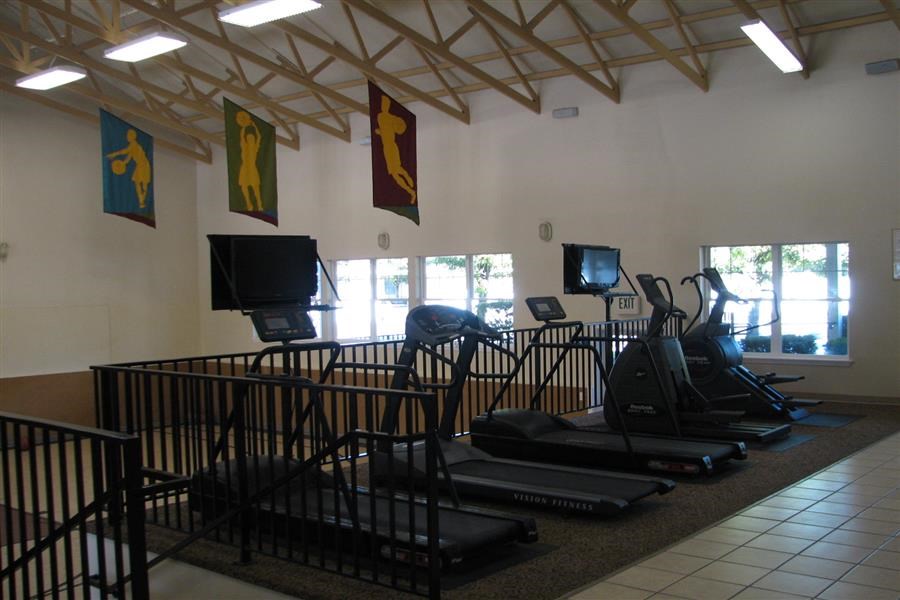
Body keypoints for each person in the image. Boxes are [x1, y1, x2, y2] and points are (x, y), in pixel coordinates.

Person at [375, 95, 416, 204]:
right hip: (386, 148)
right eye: (383, 104)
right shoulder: (380, 116)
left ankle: (410, 187)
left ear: (388, 106)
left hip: (392, 146)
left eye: (386, 104)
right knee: (396, 173)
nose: (384, 106)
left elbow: (400, 129)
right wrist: (380, 132)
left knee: (396, 171)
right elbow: (385, 131)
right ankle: (410, 191)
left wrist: (383, 131)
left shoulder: (391, 118)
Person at [106, 129, 151, 208]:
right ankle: (141, 200)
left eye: (128, 135)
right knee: (137, 182)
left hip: (144, 165)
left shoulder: (134, 145)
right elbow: (128, 158)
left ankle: (143, 198)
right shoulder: (133, 146)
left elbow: (124, 151)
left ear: (132, 137)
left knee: (144, 183)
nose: (127, 137)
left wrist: (113, 154)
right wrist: (122, 163)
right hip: (140, 165)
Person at [237, 111, 263, 211]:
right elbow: (241, 137)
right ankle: (249, 204)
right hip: (245, 167)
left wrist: (255, 127)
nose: (251, 139)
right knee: (244, 186)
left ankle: (259, 204)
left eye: (252, 138)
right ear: (248, 140)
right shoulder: (244, 147)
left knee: (255, 187)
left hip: (252, 167)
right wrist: (244, 126)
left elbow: (259, 137)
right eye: (249, 138)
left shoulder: (255, 148)